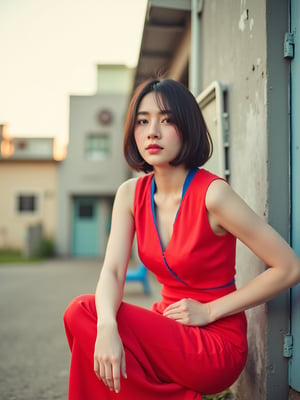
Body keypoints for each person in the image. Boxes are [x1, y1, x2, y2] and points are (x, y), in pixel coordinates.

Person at [64, 78, 300, 400]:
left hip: (216, 342)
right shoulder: (130, 195)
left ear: (187, 127)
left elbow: (288, 267)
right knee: (92, 322)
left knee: (81, 311)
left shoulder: (213, 194)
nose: (152, 132)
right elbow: (114, 272)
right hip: (169, 328)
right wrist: (107, 327)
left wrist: (211, 310)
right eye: (143, 121)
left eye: (167, 120)